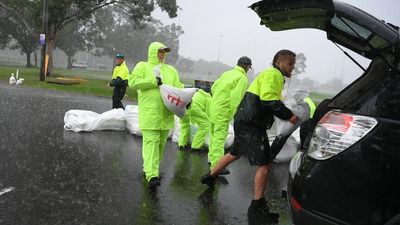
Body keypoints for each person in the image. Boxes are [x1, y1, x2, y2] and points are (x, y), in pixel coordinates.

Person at [200, 50, 299, 220]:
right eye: (290, 63)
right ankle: (257, 208)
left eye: (293, 64)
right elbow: (268, 100)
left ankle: (210, 176)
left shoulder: (270, 75)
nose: (292, 67)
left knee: (235, 152)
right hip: (252, 123)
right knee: (265, 163)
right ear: (279, 63)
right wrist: (289, 115)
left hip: (244, 120)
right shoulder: (273, 74)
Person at [128, 41, 183, 190]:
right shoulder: (142, 66)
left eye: (164, 52)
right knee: (151, 143)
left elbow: (178, 88)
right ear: (153, 52)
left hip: (166, 115)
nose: (162, 54)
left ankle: (152, 169)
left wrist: (187, 98)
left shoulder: (171, 71)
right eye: (160, 51)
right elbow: (133, 82)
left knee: (160, 145)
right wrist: (153, 81)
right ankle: (152, 174)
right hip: (150, 114)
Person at [207, 56, 252, 174]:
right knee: (219, 138)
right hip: (223, 111)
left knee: (213, 134)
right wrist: (232, 114)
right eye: (248, 67)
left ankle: (211, 159)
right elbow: (235, 99)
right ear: (246, 67)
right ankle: (216, 165)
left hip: (213, 107)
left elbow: (213, 87)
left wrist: (218, 100)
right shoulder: (242, 78)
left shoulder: (227, 73)